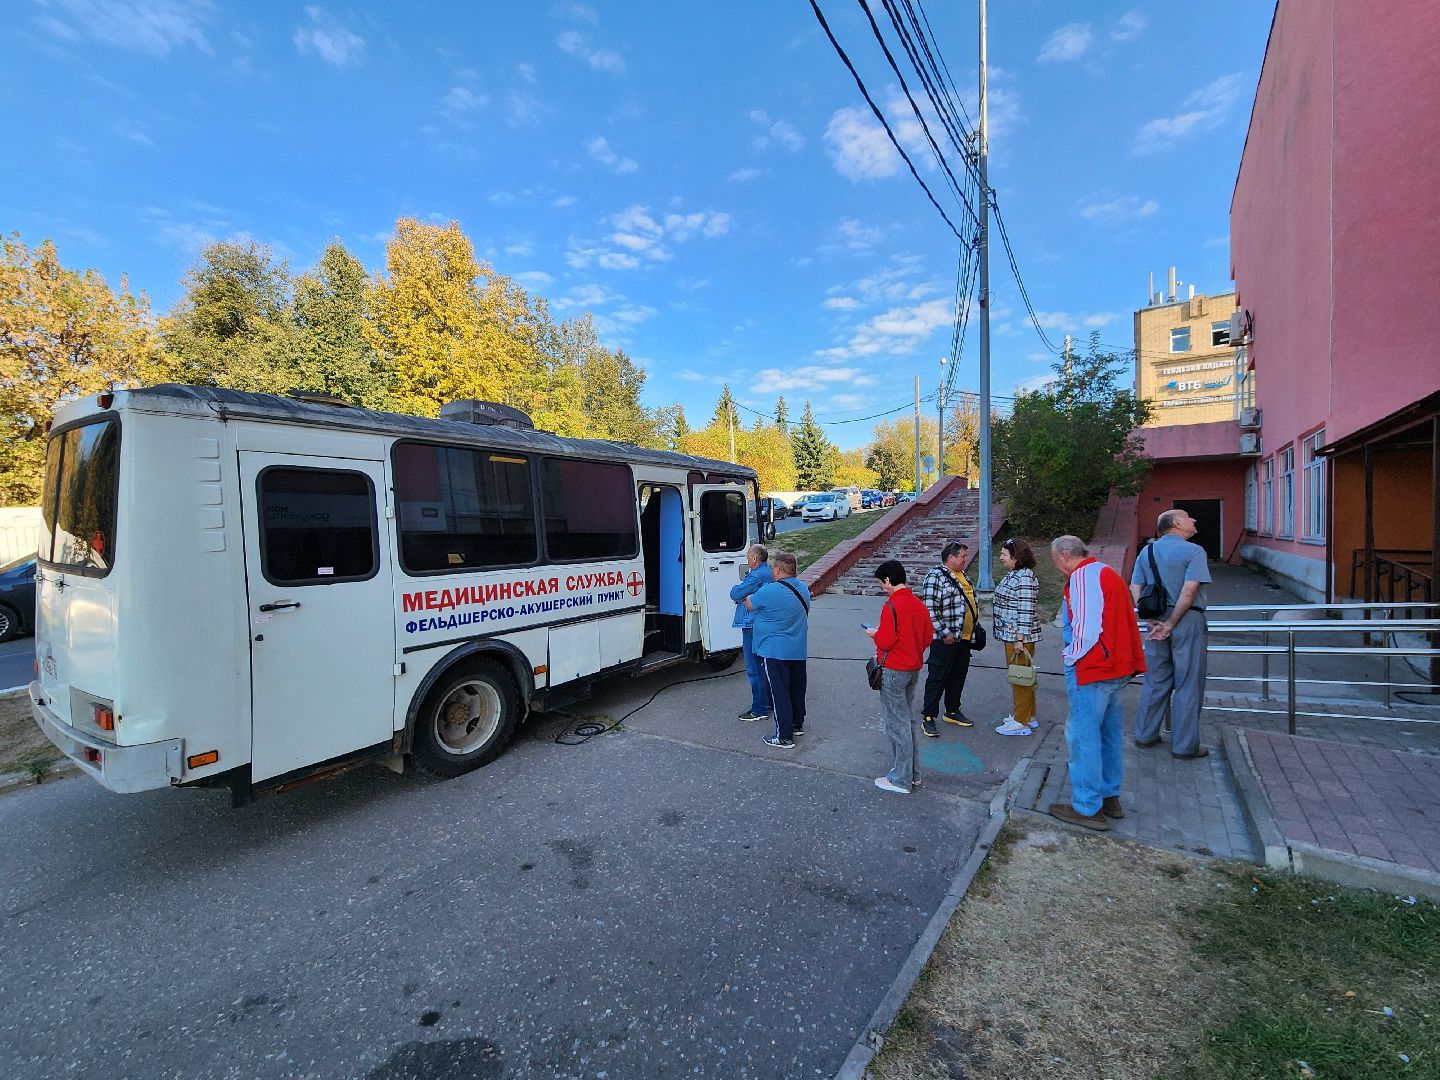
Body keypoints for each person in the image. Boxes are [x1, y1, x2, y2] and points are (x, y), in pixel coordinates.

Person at [1048, 535, 1146, 831]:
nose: (1056, 567)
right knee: (1109, 734)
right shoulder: (1106, 573)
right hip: (1116, 667)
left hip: (1093, 669)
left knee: (1082, 737)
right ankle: (1108, 795)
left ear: (1065, 555)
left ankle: (1087, 806)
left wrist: (1070, 656)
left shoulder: (1083, 577)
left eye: (1055, 561)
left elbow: (1087, 629)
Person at [1130, 509, 1213, 760]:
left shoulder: (1148, 551)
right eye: (1189, 516)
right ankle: (1184, 746)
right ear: (1176, 523)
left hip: (1155, 622)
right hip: (1187, 621)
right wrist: (1172, 623)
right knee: (1188, 683)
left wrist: (1148, 619)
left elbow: (1135, 586)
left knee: (1156, 680)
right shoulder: (1194, 551)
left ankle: (1145, 735)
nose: (1194, 519)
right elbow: (1189, 592)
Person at [866, 560, 935, 794]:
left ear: (888, 580)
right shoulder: (918, 604)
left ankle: (901, 779)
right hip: (913, 668)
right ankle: (912, 773)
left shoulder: (891, 606)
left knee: (896, 724)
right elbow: (927, 637)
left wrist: (874, 634)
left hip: (893, 669)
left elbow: (886, 640)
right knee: (907, 721)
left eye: (881, 583)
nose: (882, 587)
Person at [744, 552, 810, 749]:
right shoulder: (803, 588)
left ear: (777, 569)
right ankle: (797, 724)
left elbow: (749, 603)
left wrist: (748, 594)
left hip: (774, 651)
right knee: (796, 689)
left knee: (779, 693)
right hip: (797, 649)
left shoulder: (770, 590)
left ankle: (784, 736)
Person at [919, 541, 979, 737]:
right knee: (938, 676)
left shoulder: (962, 576)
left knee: (957, 676)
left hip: (963, 638)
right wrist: (945, 632)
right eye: (962, 556)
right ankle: (928, 716)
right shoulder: (935, 577)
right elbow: (929, 609)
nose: (965, 559)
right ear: (950, 557)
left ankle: (952, 710)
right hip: (944, 639)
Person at [992, 538, 1042, 736]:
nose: (1001, 557)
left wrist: (1019, 639)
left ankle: (1021, 722)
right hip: (1013, 636)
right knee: (1022, 676)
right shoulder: (1017, 574)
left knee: (1020, 677)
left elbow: (1026, 611)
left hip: (1018, 638)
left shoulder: (1024, 578)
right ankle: (1028, 715)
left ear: (1016, 556)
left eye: (1005, 554)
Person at [730, 544, 774, 722]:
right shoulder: (768, 572)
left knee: (754, 668)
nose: (747, 559)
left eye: (748, 556)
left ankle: (759, 709)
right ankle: (768, 702)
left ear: (755, 559)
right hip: (764, 623)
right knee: (764, 665)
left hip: (752, 624)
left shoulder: (755, 575)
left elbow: (735, 593)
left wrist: (740, 594)